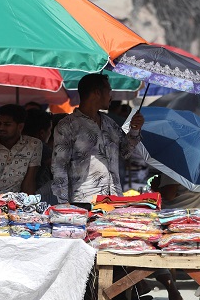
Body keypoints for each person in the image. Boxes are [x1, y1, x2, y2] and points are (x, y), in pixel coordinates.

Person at [52, 73, 144, 207]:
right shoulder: (67, 126)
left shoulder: (110, 124)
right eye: (109, 91)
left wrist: (134, 130)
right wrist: (63, 203)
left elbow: (125, 152)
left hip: (114, 200)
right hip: (84, 201)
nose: (111, 97)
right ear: (96, 93)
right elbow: (59, 166)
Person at [23, 108, 54, 201]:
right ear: (42, 133)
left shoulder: (19, 143)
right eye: (50, 130)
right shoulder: (42, 147)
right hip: (36, 194)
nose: (50, 133)